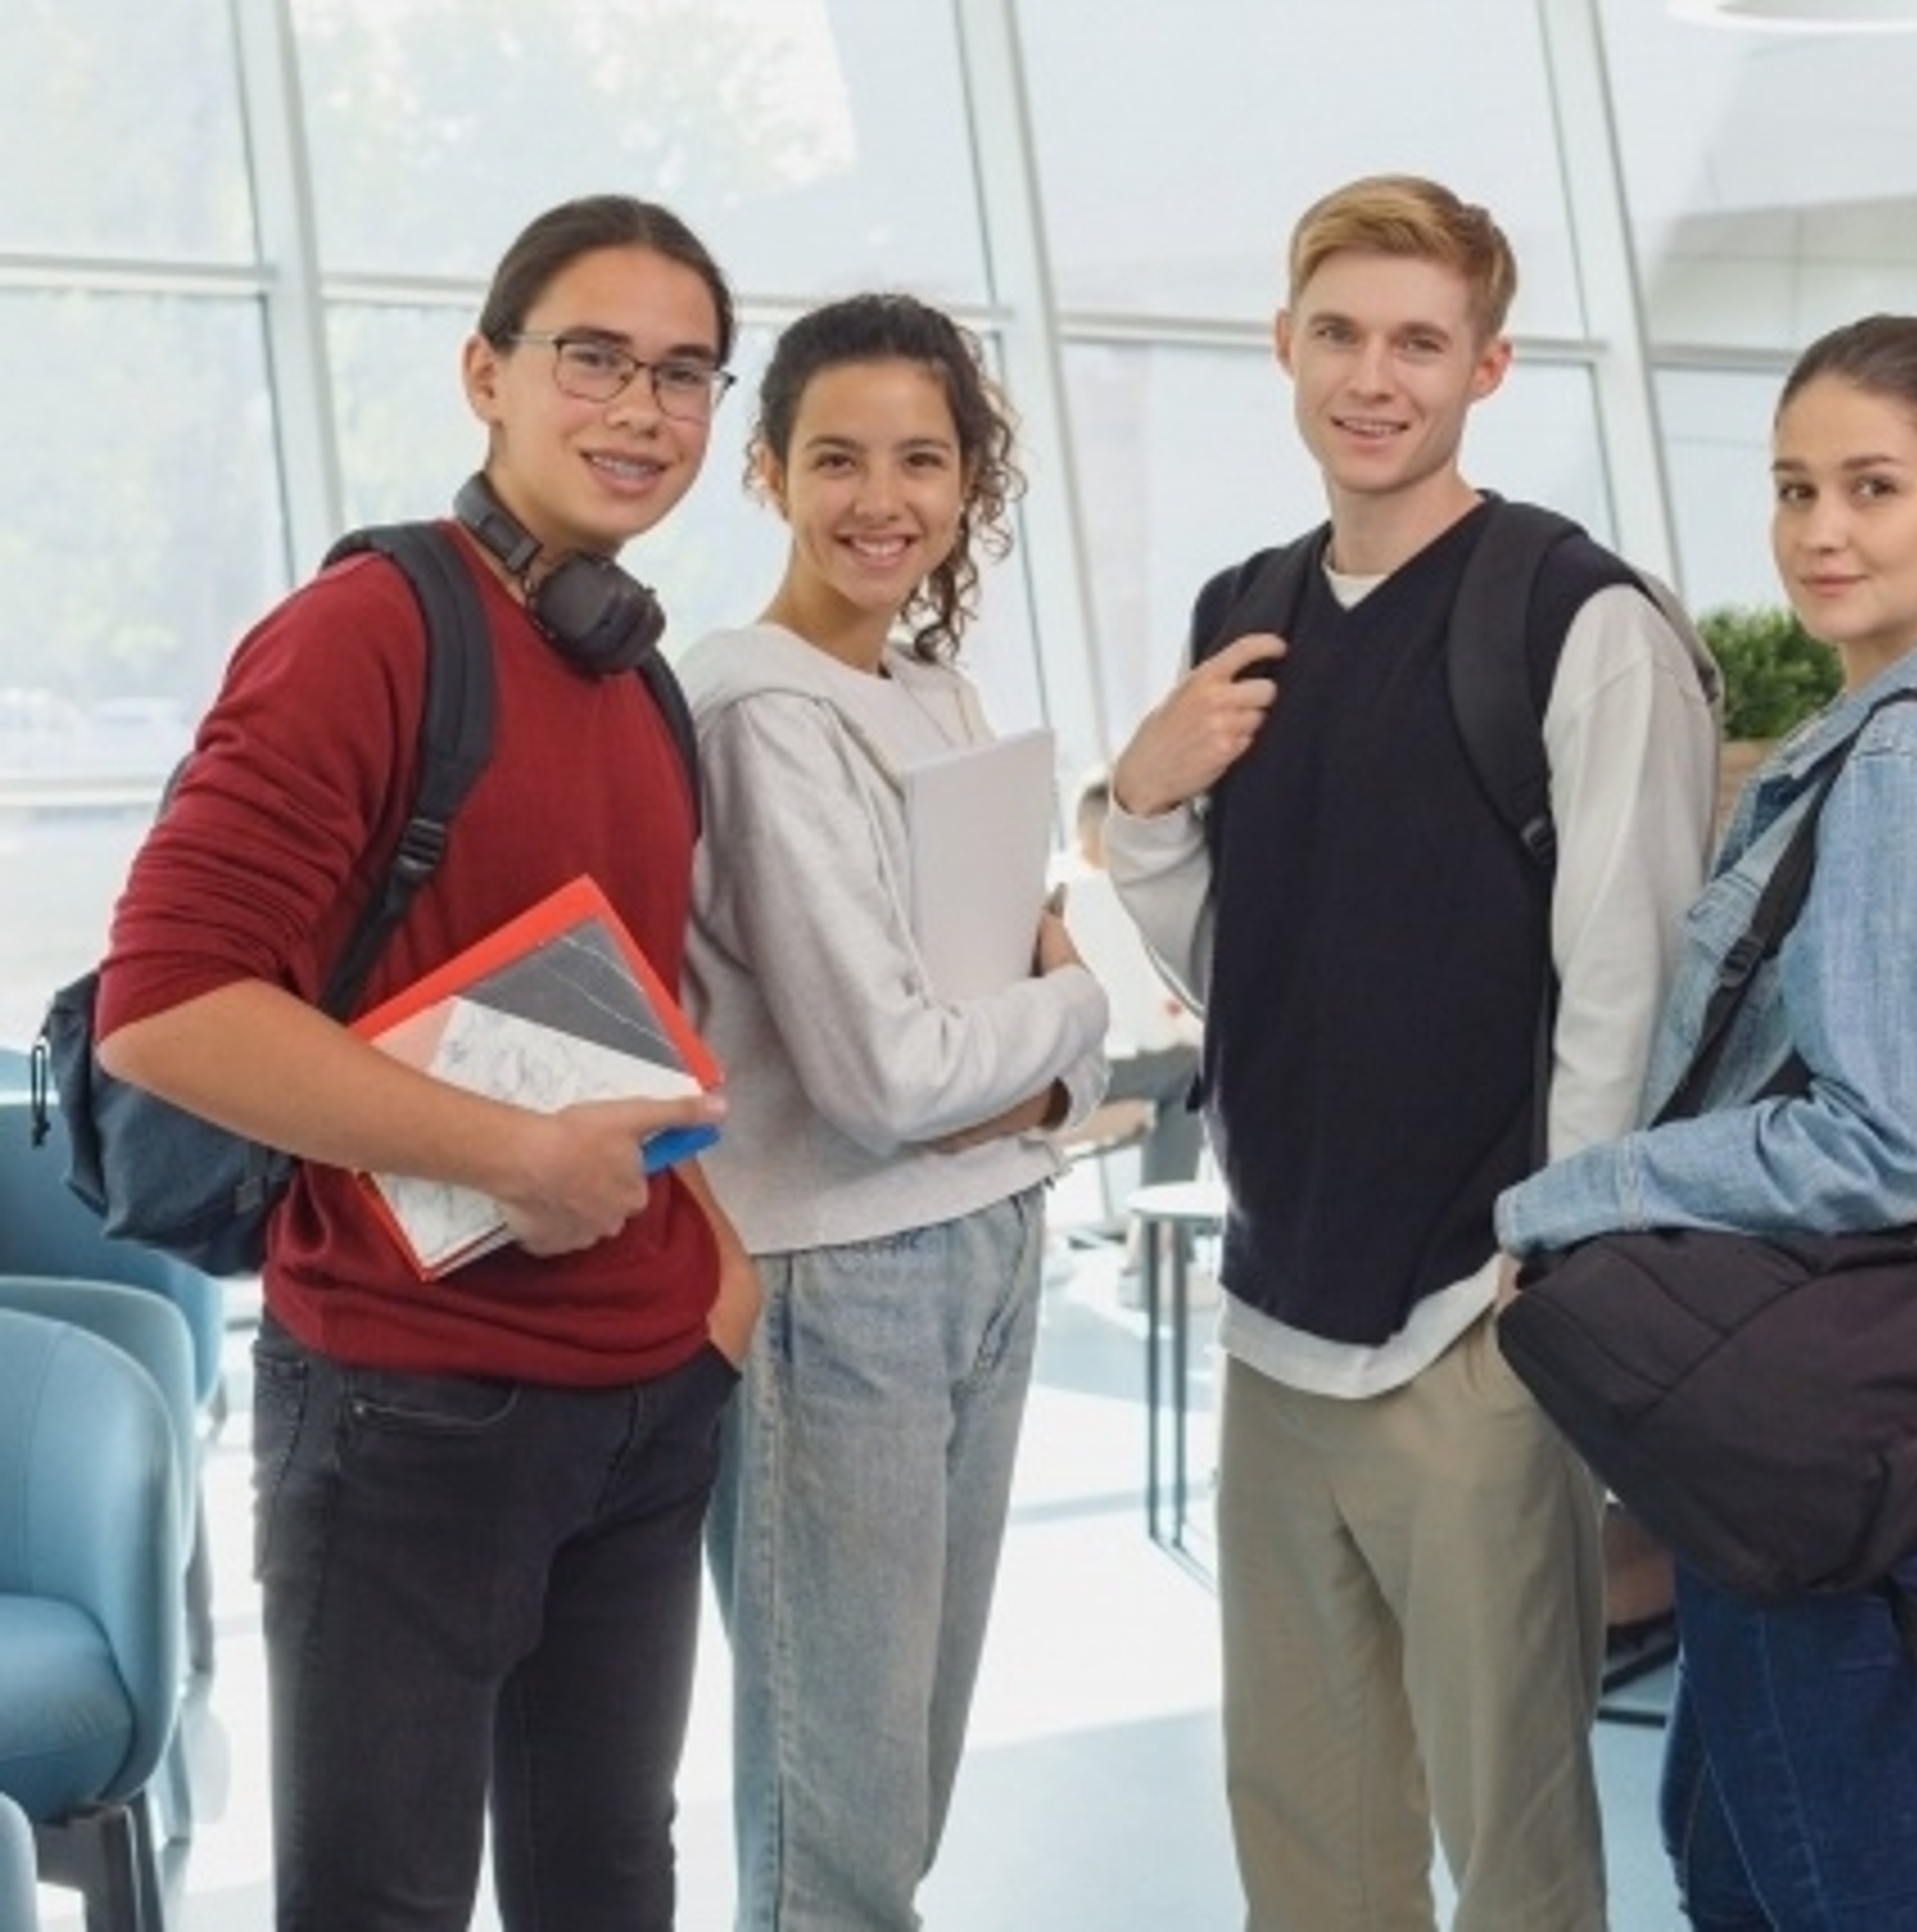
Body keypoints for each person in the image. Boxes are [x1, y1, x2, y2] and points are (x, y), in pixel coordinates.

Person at [92, 193, 754, 1930]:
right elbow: (163, 1002)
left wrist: (717, 1277)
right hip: (409, 1406)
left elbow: (632, 1007)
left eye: (685, 376)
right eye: (594, 359)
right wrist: (513, 1157)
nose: (640, 410)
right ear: (486, 372)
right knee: (380, 1904)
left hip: (644, 1397)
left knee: (607, 1886)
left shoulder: (635, 678)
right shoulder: (372, 634)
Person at [1102, 173, 1719, 1930]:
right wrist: (1141, 800)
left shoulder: (1575, 619)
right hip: (1270, 1307)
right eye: (1340, 336)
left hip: (1473, 1320)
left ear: (1488, 365)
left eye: (1418, 344)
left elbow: (1630, 973)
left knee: (1510, 1838)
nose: (1374, 379)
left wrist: (1557, 1259)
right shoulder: (1246, 609)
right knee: (1303, 1830)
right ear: (1283, 349)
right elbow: (1237, 959)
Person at [1499, 314, 1917, 1931]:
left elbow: (1892, 1143)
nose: (1822, 532)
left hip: (1812, 1413)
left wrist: (1582, 1189)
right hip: (1860, 1399)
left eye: (1874, 488)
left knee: (1825, 1890)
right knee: (1739, 1855)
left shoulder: (1905, 755)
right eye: (1794, 489)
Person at [678, 291, 1110, 1930]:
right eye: (837, 458)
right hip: (838, 1280)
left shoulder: (933, 695)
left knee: (905, 1779)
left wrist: (1015, 1069)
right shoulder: (760, 709)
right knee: (838, 1812)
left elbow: (965, 1051)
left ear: (969, 481)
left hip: (986, 1238)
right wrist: (1075, 1016)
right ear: (769, 473)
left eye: (922, 459)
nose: (883, 499)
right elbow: (884, 1082)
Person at [1056, 771, 1204, 1192]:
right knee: (1193, 1071)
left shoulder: (1057, 882)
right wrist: (1174, 1033)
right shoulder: (1103, 893)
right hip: (1083, 1076)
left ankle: (1158, 1231)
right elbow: (1149, 1031)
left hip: (1042, 1070)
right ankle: (1166, 1228)